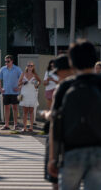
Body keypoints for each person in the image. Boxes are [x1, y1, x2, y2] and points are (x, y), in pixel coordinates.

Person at [48, 40, 101, 190]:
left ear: (72, 62)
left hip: (71, 151)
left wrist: (53, 158)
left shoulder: (65, 86)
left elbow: (55, 123)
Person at [40, 54, 74, 190]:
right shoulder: (91, 83)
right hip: (86, 142)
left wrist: (45, 114)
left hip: (62, 138)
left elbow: (54, 118)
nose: (57, 76)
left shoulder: (63, 87)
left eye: (58, 72)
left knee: (56, 180)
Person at [0, 55, 22, 130]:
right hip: (6, 92)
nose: (6, 63)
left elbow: (23, 80)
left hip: (14, 92)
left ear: (12, 61)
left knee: (15, 108)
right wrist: (0, 89)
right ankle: (6, 124)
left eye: (8, 61)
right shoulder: (3, 69)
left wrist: (19, 88)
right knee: (6, 108)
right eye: (5, 61)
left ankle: (16, 125)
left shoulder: (17, 69)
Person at [18, 61, 41, 132]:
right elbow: (18, 83)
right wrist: (23, 82)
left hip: (32, 94)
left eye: (31, 66)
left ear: (33, 67)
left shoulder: (35, 75)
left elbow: (39, 81)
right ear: (27, 66)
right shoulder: (23, 74)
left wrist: (36, 84)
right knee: (25, 111)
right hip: (24, 94)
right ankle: (24, 127)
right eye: (28, 65)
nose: (30, 67)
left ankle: (31, 127)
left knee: (31, 111)